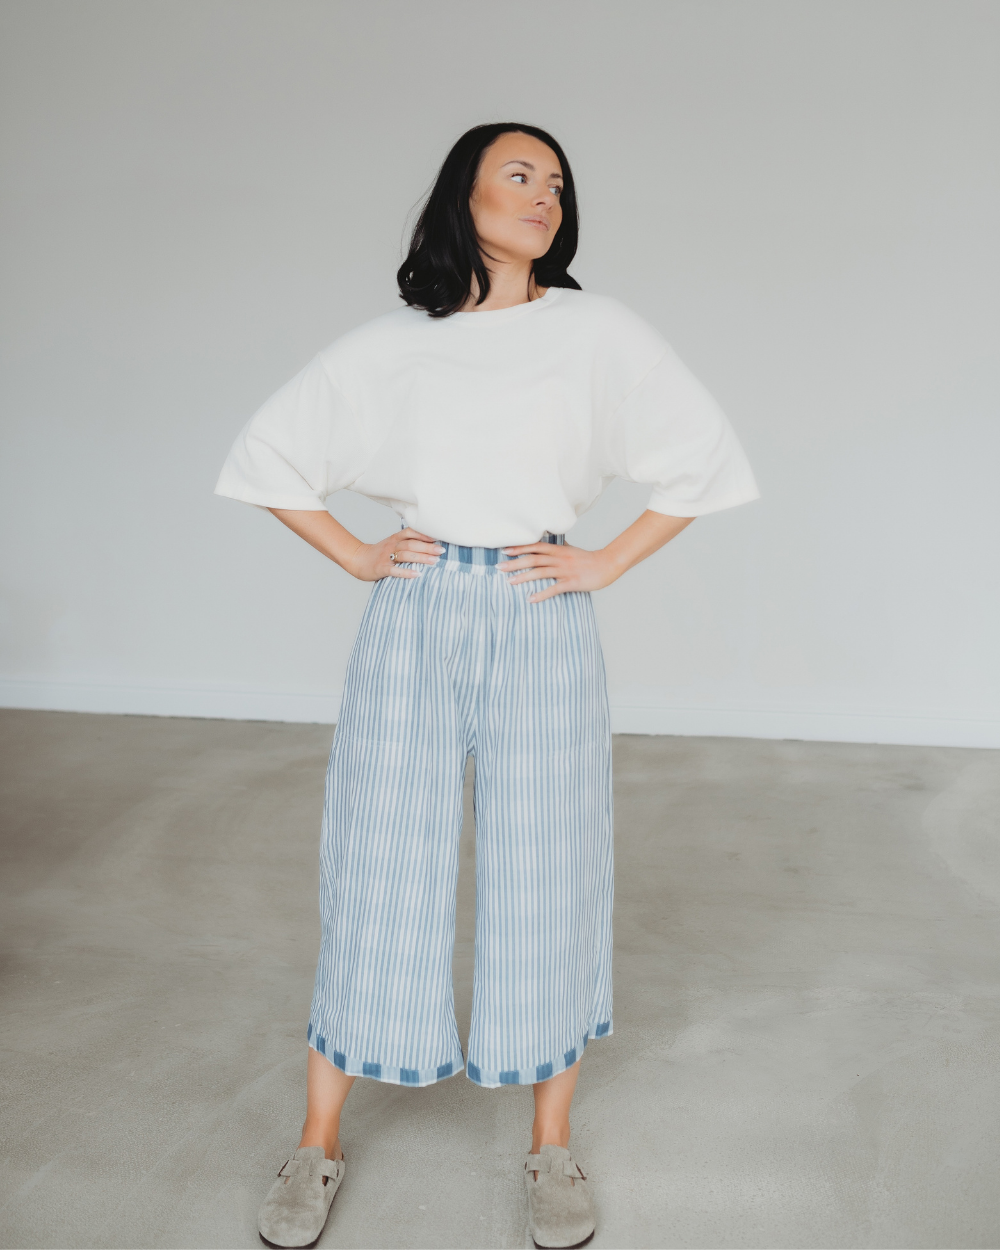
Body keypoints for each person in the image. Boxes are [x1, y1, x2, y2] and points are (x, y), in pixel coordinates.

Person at [215, 121, 758, 1250]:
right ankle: (315, 1143)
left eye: (556, 183)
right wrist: (362, 553)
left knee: (545, 862)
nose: (543, 195)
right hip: (415, 608)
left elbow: (700, 452)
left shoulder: (596, 329)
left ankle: (548, 1149)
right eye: (519, 175)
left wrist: (603, 559)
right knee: (377, 858)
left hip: (536, 604)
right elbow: (271, 453)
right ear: (461, 198)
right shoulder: (392, 345)